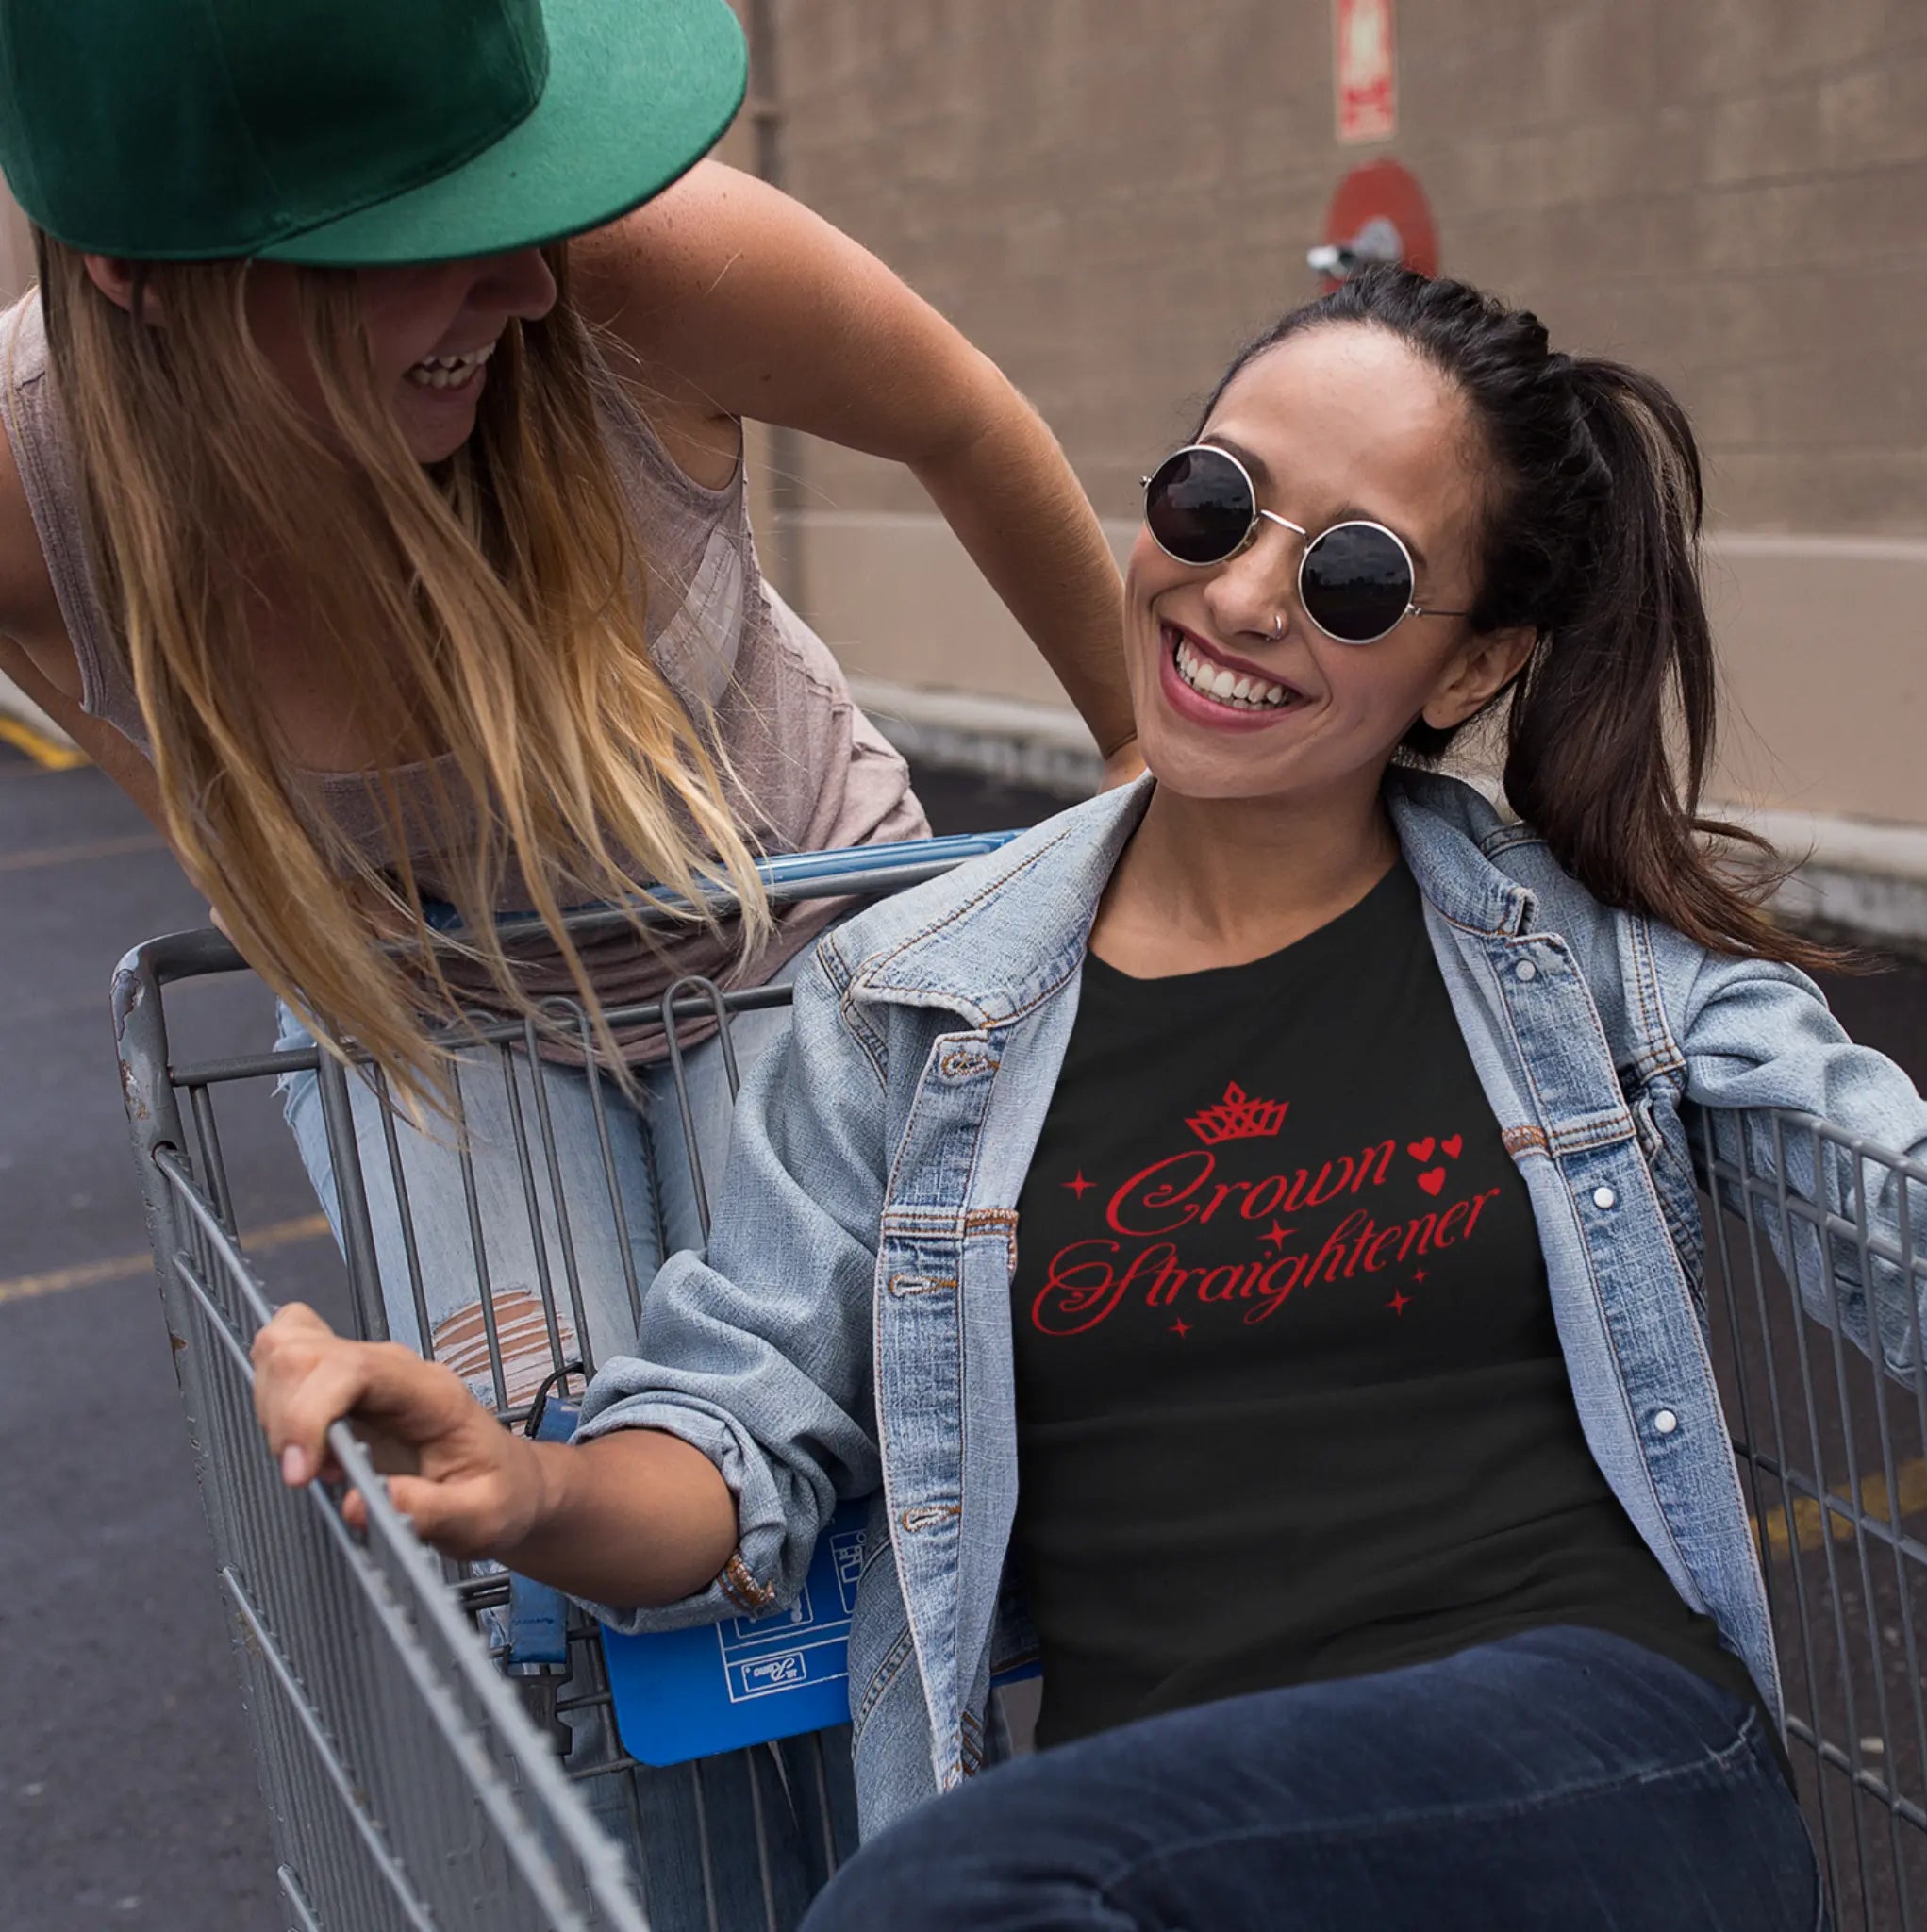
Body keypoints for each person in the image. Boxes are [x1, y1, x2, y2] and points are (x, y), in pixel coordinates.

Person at [248, 264, 1896, 1928]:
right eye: (1215, 498)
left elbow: (1883, 1191)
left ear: (1472, 673)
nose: (1244, 595)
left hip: (1586, 1766)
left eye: (1353, 576)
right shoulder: (906, 1006)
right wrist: (527, 1488)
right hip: (1172, 1851)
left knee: (946, 1895)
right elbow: (730, 1433)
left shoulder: (1588, 976)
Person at [0, 0, 1129, 1919]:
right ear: (140, 277)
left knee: (836, 1476)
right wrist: (312, 902)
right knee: (579, 1516)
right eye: (418, 227)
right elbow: (158, 738)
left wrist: (1149, 768)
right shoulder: (40, 499)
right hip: (441, 1025)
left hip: (791, 937)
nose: (522, 271)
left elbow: (957, 414)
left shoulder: (635, 270)